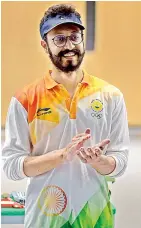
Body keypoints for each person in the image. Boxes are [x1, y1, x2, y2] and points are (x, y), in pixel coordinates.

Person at [2, 4, 129, 228]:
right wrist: (59, 157)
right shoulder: (25, 99)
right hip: (44, 219)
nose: (69, 45)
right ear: (45, 44)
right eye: (59, 39)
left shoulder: (111, 96)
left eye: (74, 37)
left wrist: (100, 162)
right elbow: (12, 166)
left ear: (82, 39)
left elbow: (120, 162)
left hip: (97, 218)